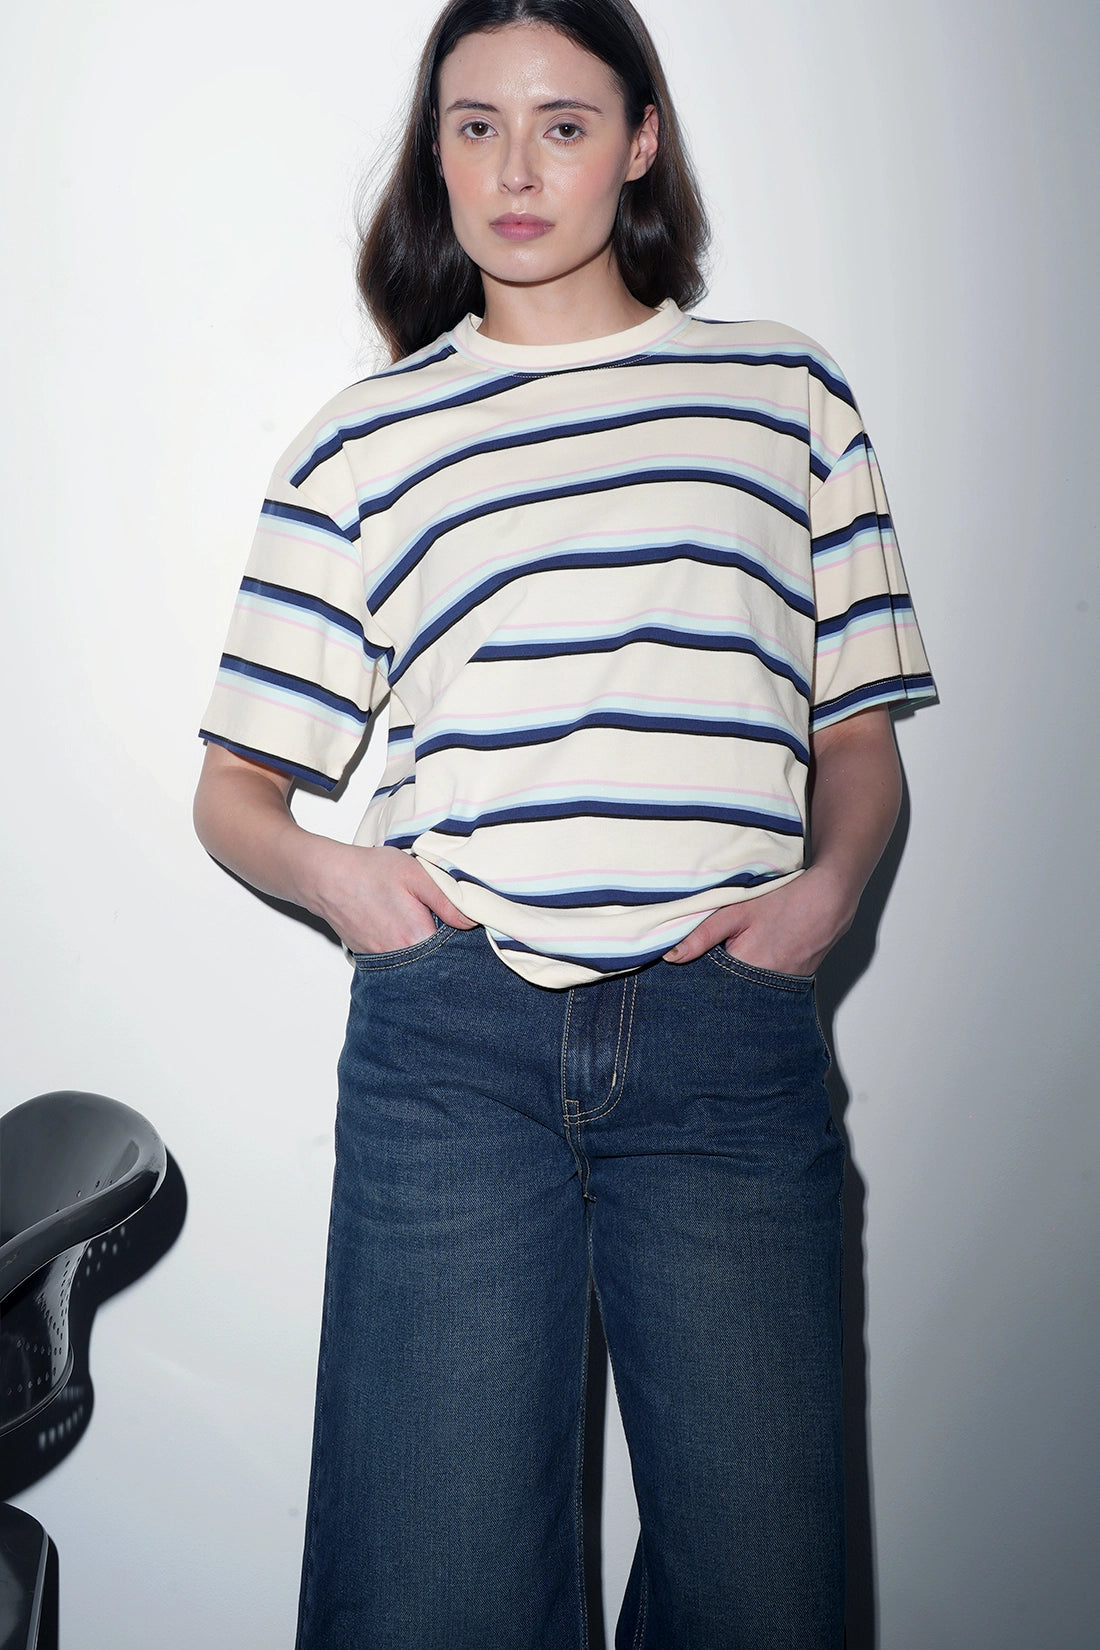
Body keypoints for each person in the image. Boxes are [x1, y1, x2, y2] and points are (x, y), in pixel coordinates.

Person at [193, 1, 935, 1644]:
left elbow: (860, 747)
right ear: (433, 149)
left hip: (727, 1051)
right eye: (472, 125)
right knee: (434, 1596)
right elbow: (232, 794)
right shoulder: (364, 440)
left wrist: (824, 900)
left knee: (768, 1599)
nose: (513, 169)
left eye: (564, 122)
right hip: (452, 1049)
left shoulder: (785, 394)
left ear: (642, 139)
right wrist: (350, 885)